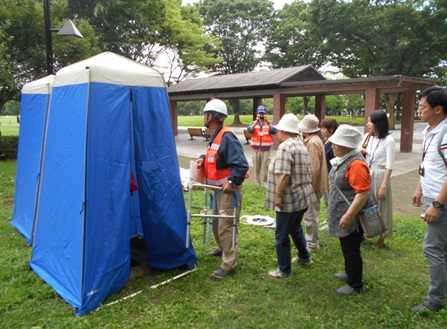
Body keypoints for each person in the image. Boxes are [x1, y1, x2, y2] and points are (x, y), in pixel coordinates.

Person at [196, 99, 249, 279]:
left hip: (229, 190)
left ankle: (229, 263)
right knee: (217, 223)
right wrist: (203, 157)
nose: (204, 117)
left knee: (226, 225)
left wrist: (232, 182)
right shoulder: (216, 135)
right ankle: (223, 247)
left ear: (211, 116)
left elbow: (241, 164)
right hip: (219, 189)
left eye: (205, 114)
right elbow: (219, 157)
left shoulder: (227, 136)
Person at [265, 113, 316, 278]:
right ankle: (304, 256)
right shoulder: (300, 143)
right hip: (303, 197)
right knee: (295, 227)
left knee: (281, 235)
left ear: (283, 131)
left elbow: (284, 175)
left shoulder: (285, 146)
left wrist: (277, 195)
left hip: (290, 198)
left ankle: (284, 270)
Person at [411, 86, 447, 313]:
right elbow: (429, 165)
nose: (419, 110)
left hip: (440, 201)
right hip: (432, 195)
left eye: (423, 107)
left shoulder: (445, 134)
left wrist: (437, 204)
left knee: (433, 248)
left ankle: (435, 301)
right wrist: (419, 188)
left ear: (438, 109)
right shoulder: (430, 131)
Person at [328, 124, 373, 295]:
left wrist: (348, 215)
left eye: (337, 143)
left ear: (347, 146)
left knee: (351, 248)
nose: (333, 146)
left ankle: (355, 284)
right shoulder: (346, 159)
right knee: (347, 246)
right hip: (344, 213)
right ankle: (349, 273)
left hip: (351, 216)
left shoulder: (355, 164)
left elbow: (362, 193)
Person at [360, 110, 395, 249]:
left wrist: (384, 185)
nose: (368, 124)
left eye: (370, 121)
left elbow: (390, 165)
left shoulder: (389, 141)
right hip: (367, 174)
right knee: (366, 204)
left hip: (380, 175)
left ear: (378, 123)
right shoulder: (369, 137)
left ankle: (381, 238)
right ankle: (365, 231)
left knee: (381, 207)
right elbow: (360, 150)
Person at [298, 114, 328, 251]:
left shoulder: (312, 143)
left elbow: (313, 168)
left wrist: (307, 186)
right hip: (314, 186)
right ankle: (311, 241)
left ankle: (312, 244)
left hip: (313, 187)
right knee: (311, 214)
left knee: (310, 215)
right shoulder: (314, 140)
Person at [247, 105, 277, 186]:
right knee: (256, 167)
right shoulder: (253, 123)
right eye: (260, 113)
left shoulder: (269, 123)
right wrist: (256, 122)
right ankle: (257, 184)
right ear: (257, 113)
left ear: (265, 114)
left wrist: (268, 122)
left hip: (266, 149)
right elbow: (249, 130)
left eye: (262, 113)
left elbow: (274, 131)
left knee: (265, 167)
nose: (261, 115)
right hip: (256, 149)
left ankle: (265, 183)